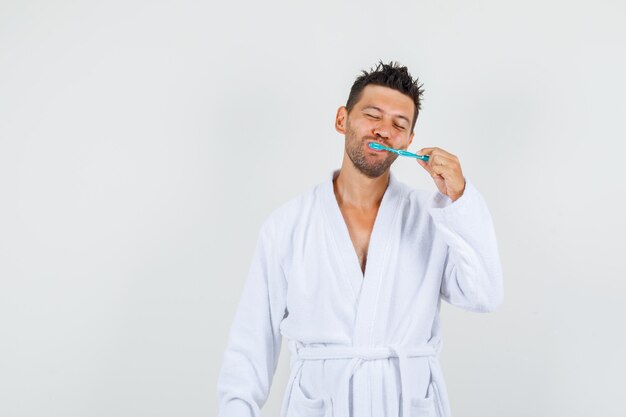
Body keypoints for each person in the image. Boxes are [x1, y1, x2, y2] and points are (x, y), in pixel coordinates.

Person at [216, 60, 503, 417]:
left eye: (399, 124)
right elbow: (250, 346)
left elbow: (484, 295)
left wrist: (459, 199)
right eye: (373, 115)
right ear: (342, 120)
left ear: (409, 141)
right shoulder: (287, 225)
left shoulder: (433, 217)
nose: (384, 131)